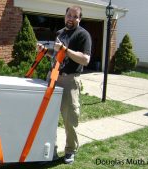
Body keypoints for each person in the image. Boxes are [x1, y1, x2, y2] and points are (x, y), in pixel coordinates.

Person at [37, 5, 91, 164]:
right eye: (69, 15)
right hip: (53, 77)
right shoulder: (60, 33)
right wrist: (44, 51)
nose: (71, 19)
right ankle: (49, 152)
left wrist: (66, 49)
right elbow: (56, 54)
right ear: (65, 16)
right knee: (48, 117)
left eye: (75, 16)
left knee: (70, 119)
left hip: (69, 80)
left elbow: (85, 59)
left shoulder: (83, 35)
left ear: (79, 19)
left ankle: (70, 150)